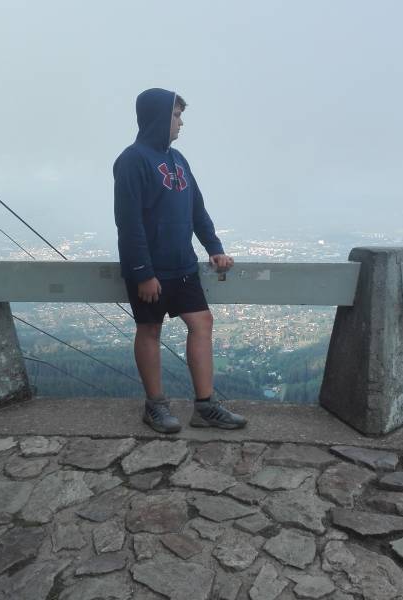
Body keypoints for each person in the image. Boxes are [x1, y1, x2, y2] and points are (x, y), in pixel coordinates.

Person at [114, 88, 247, 434]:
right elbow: (128, 223)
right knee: (150, 329)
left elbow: (196, 209)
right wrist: (143, 273)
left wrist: (214, 248)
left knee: (202, 321)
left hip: (183, 265)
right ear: (158, 117)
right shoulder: (132, 160)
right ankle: (155, 406)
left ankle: (205, 407)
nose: (181, 123)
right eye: (176, 115)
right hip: (150, 271)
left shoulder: (179, 160)